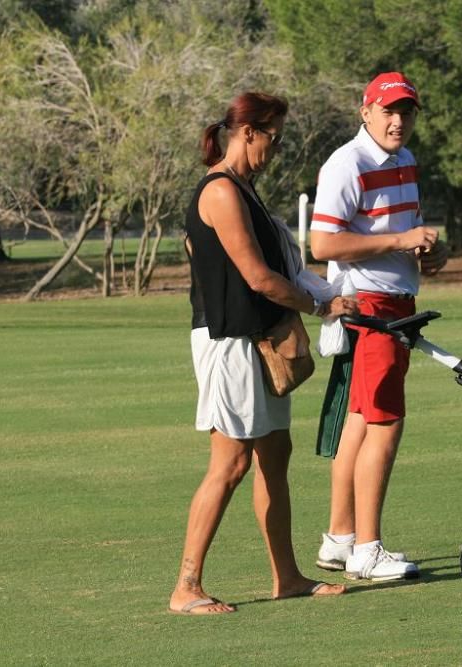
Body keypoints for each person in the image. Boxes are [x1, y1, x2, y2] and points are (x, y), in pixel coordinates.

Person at [169, 92, 359, 615]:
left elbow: (282, 271)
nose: (276, 147)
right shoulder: (221, 192)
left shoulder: (246, 191)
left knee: (275, 456)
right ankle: (186, 586)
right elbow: (258, 278)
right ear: (247, 131)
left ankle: (288, 577)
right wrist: (321, 308)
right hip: (229, 342)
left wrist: (326, 296)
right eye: (273, 136)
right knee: (229, 464)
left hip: (260, 341)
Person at [309, 73, 449, 581]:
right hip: (370, 308)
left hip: (396, 301)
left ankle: (340, 539)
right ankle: (368, 550)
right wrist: (398, 243)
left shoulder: (405, 160)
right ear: (365, 110)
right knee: (386, 422)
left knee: (361, 421)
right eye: (388, 110)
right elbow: (322, 245)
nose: (397, 121)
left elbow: (396, 232)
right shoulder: (347, 163)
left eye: (406, 112)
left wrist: (427, 253)